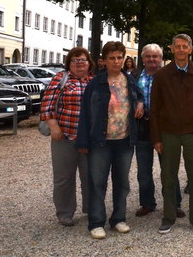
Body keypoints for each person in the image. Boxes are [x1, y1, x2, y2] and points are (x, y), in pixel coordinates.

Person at [76, 41, 144, 240]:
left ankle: (118, 219)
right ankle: (96, 222)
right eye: (112, 58)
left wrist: (140, 103)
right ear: (104, 60)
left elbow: (138, 96)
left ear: (124, 59)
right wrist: (83, 142)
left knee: (122, 182)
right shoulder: (95, 83)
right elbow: (85, 115)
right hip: (100, 141)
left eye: (119, 57)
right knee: (97, 182)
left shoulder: (129, 80)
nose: (116, 61)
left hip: (124, 140)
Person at [150, 33, 193, 235]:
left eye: (185, 46)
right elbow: (155, 107)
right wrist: (156, 137)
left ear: (190, 49)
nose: (181, 49)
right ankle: (168, 217)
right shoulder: (162, 74)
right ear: (172, 49)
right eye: (178, 46)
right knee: (168, 177)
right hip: (169, 133)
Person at [39, 47, 94, 227]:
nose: (79, 63)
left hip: (88, 138)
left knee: (90, 176)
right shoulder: (60, 79)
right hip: (63, 136)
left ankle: (91, 208)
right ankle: (64, 212)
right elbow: (46, 105)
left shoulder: (94, 81)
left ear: (89, 63)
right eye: (75, 60)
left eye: (83, 60)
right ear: (69, 63)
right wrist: (54, 126)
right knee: (64, 177)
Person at [132, 44, 184, 219]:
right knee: (143, 170)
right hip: (142, 127)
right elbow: (128, 96)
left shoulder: (169, 76)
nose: (152, 59)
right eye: (148, 56)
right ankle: (147, 203)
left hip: (164, 128)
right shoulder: (134, 75)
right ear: (143, 58)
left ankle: (174, 204)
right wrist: (137, 103)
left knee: (169, 168)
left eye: (155, 56)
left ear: (161, 59)